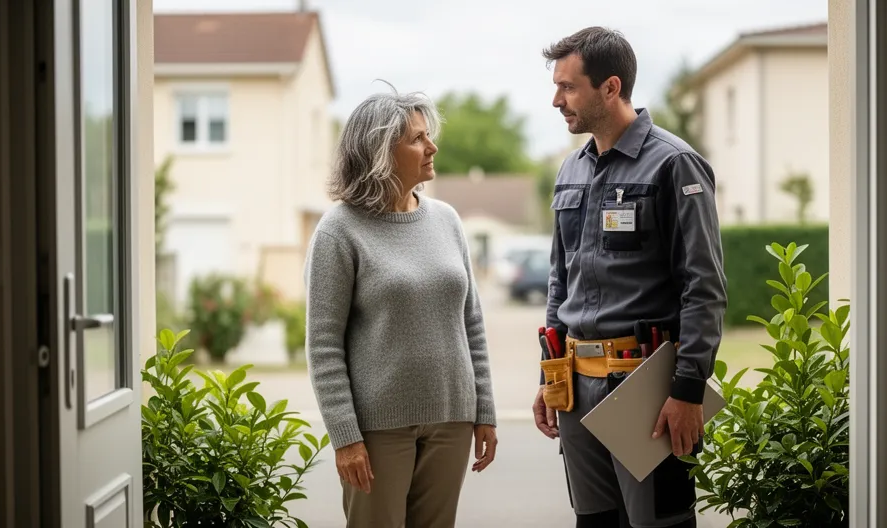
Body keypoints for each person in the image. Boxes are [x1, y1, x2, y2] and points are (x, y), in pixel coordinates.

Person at [532, 27, 727, 528]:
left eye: (569, 87)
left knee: (660, 523)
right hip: (576, 387)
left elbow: (703, 287)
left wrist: (687, 391)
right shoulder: (570, 171)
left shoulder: (674, 164)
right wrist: (550, 374)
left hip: (649, 392)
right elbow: (561, 281)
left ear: (611, 87)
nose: (556, 100)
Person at [305, 88, 498, 528]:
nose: (431, 147)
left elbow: (472, 323)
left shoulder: (447, 220)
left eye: (428, 136)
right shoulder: (339, 231)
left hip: (452, 418)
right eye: (417, 139)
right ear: (379, 151)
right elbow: (323, 344)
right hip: (377, 430)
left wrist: (484, 409)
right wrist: (345, 437)